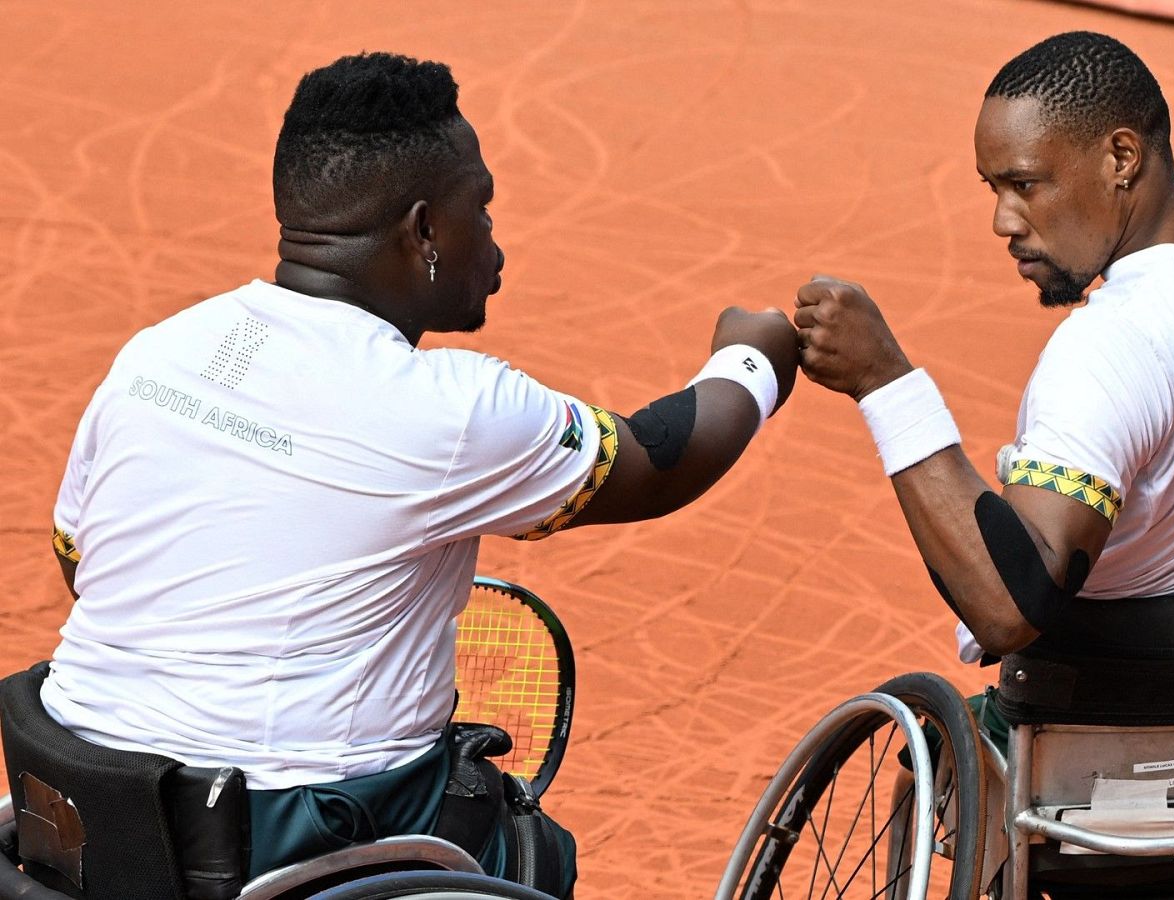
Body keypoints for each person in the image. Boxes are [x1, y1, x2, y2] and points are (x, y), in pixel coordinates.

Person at [38, 52, 799, 893]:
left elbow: (81, 560)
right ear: (425, 230)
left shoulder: (158, 353)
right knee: (533, 851)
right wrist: (753, 355)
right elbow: (661, 460)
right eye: (484, 207)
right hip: (273, 832)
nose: (496, 240)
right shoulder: (448, 409)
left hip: (77, 804)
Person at [793, 29, 1174, 865]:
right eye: (992, 188)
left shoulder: (1114, 343)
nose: (1002, 221)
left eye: (1025, 184)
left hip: (1080, 764)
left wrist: (886, 382)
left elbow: (1006, 606)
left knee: (937, 758)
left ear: (1121, 157)